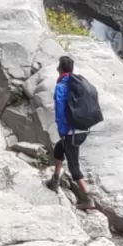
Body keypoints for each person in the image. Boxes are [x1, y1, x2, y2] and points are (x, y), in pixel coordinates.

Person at [49, 53, 90, 200]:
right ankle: (55, 179)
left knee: (74, 166)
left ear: (60, 69)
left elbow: (60, 111)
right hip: (83, 128)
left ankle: (88, 199)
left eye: (58, 66)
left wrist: (62, 131)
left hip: (71, 132)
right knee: (59, 149)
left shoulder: (62, 86)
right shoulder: (79, 83)